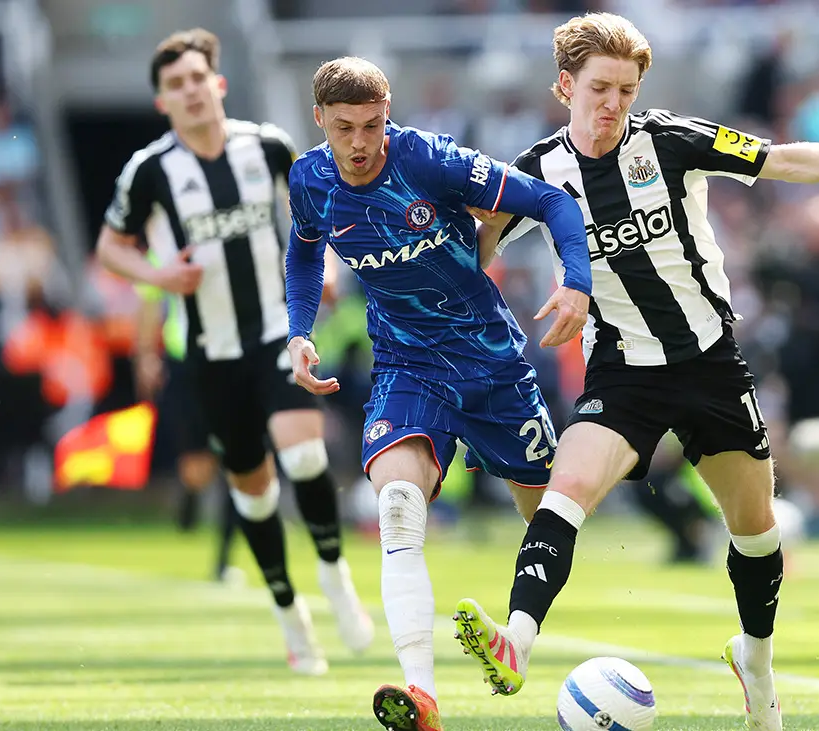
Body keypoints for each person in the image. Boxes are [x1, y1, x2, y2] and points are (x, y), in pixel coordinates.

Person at [453, 12, 819, 731]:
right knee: (566, 493)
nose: (613, 104)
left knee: (756, 531)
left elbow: (782, 160)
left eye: (626, 90)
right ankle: (518, 641)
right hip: (623, 372)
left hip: (710, 363)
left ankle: (756, 661)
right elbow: (476, 249)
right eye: (599, 88)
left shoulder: (670, 140)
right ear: (565, 86)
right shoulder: (534, 172)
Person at [284, 57, 592, 731]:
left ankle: (517, 639)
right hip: (407, 366)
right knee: (397, 507)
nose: (360, 142)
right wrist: (299, 330)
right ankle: (421, 696)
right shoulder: (309, 179)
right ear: (319, 120)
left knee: (550, 515)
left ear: (388, 113)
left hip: (491, 366)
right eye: (344, 128)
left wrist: (576, 281)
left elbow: (552, 201)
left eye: (372, 125)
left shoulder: (428, 160)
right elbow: (304, 250)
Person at [95, 28, 374, 675]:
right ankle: (289, 612)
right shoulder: (150, 171)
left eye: (198, 78)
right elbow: (110, 247)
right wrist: (160, 276)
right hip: (208, 352)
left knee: (305, 454)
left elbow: (316, 212)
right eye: (176, 85)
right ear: (163, 102)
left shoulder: (267, 145)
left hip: (278, 331)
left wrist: (329, 267)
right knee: (253, 490)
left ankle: (334, 574)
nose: (191, 91)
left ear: (217, 84)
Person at [132, 254, 238, 579]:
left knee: (240, 461)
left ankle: (223, 561)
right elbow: (150, 299)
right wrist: (146, 355)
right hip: (185, 361)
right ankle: (191, 493)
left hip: (235, 358)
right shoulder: (165, 245)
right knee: (197, 469)